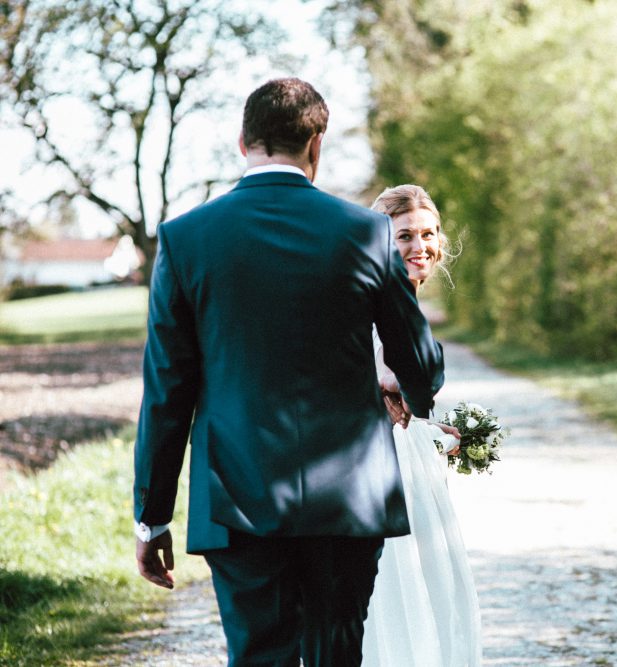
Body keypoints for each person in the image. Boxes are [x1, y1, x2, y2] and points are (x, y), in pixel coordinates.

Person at [132, 78, 445, 667]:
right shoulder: (367, 233)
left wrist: (152, 517)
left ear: (241, 141)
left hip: (236, 495)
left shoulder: (185, 239)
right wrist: (415, 397)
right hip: (349, 499)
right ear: (316, 145)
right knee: (336, 653)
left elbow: (166, 392)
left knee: (258, 656)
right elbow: (419, 361)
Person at [363, 185, 482, 667]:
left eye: (429, 233)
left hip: (417, 478)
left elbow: (406, 403)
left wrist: (437, 434)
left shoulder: (411, 306)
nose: (420, 245)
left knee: (433, 601)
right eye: (405, 235)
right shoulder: (370, 307)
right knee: (397, 601)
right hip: (384, 481)